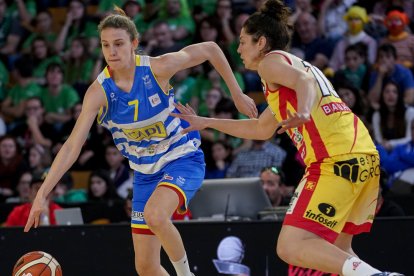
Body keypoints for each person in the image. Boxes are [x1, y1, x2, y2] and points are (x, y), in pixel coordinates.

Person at [171, 1, 403, 275]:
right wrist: (206, 122)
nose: (238, 48)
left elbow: (303, 84)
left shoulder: (271, 63)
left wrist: (304, 111)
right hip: (363, 156)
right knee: (341, 255)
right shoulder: (290, 70)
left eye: (243, 41)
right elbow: (260, 128)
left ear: (262, 43)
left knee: (290, 246)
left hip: (335, 159)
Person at [24, 6, 257, 276]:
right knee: (146, 267)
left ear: (134, 44)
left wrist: (237, 94)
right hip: (145, 172)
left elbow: (210, 48)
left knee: (155, 215)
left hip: (182, 157)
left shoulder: (157, 68)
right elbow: (71, 147)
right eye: (106, 45)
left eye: (119, 44)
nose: (112, 51)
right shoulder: (98, 93)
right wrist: (42, 194)